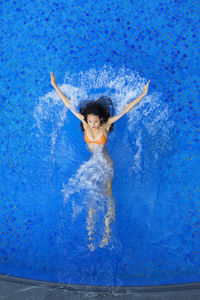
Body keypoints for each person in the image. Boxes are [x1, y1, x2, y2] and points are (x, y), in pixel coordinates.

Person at [50, 71, 150, 249]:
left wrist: (142, 95)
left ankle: (107, 232)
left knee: (108, 195)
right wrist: (55, 86)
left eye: (95, 121)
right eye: (90, 121)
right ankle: (90, 236)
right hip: (92, 163)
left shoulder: (107, 124)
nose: (93, 125)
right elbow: (68, 105)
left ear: (101, 119)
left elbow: (127, 109)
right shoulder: (85, 121)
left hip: (105, 163)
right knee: (91, 197)